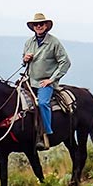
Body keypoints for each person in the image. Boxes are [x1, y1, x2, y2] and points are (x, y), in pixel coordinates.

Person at [22, 12, 70, 150]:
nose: (39, 26)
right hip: (30, 80)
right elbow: (24, 61)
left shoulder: (54, 42)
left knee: (42, 103)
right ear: (33, 27)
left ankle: (46, 133)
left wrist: (52, 79)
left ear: (46, 26)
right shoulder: (28, 43)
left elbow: (65, 62)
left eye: (41, 24)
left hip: (45, 82)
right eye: (36, 24)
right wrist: (25, 59)